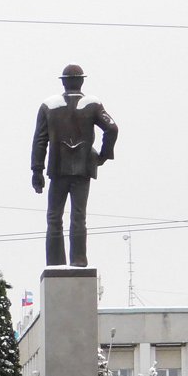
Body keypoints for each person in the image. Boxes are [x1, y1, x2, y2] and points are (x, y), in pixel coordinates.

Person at [31, 64, 118, 267]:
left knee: (54, 218)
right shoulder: (93, 105)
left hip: (58, 169)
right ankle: (79, 259)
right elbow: (112, 128)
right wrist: (103, 156)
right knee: (79, 217)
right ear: (81, 81)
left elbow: (39, 141)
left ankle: (55, 262)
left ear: (63, 81)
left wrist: (37, 170)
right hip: (83, 169)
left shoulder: (49, 106)